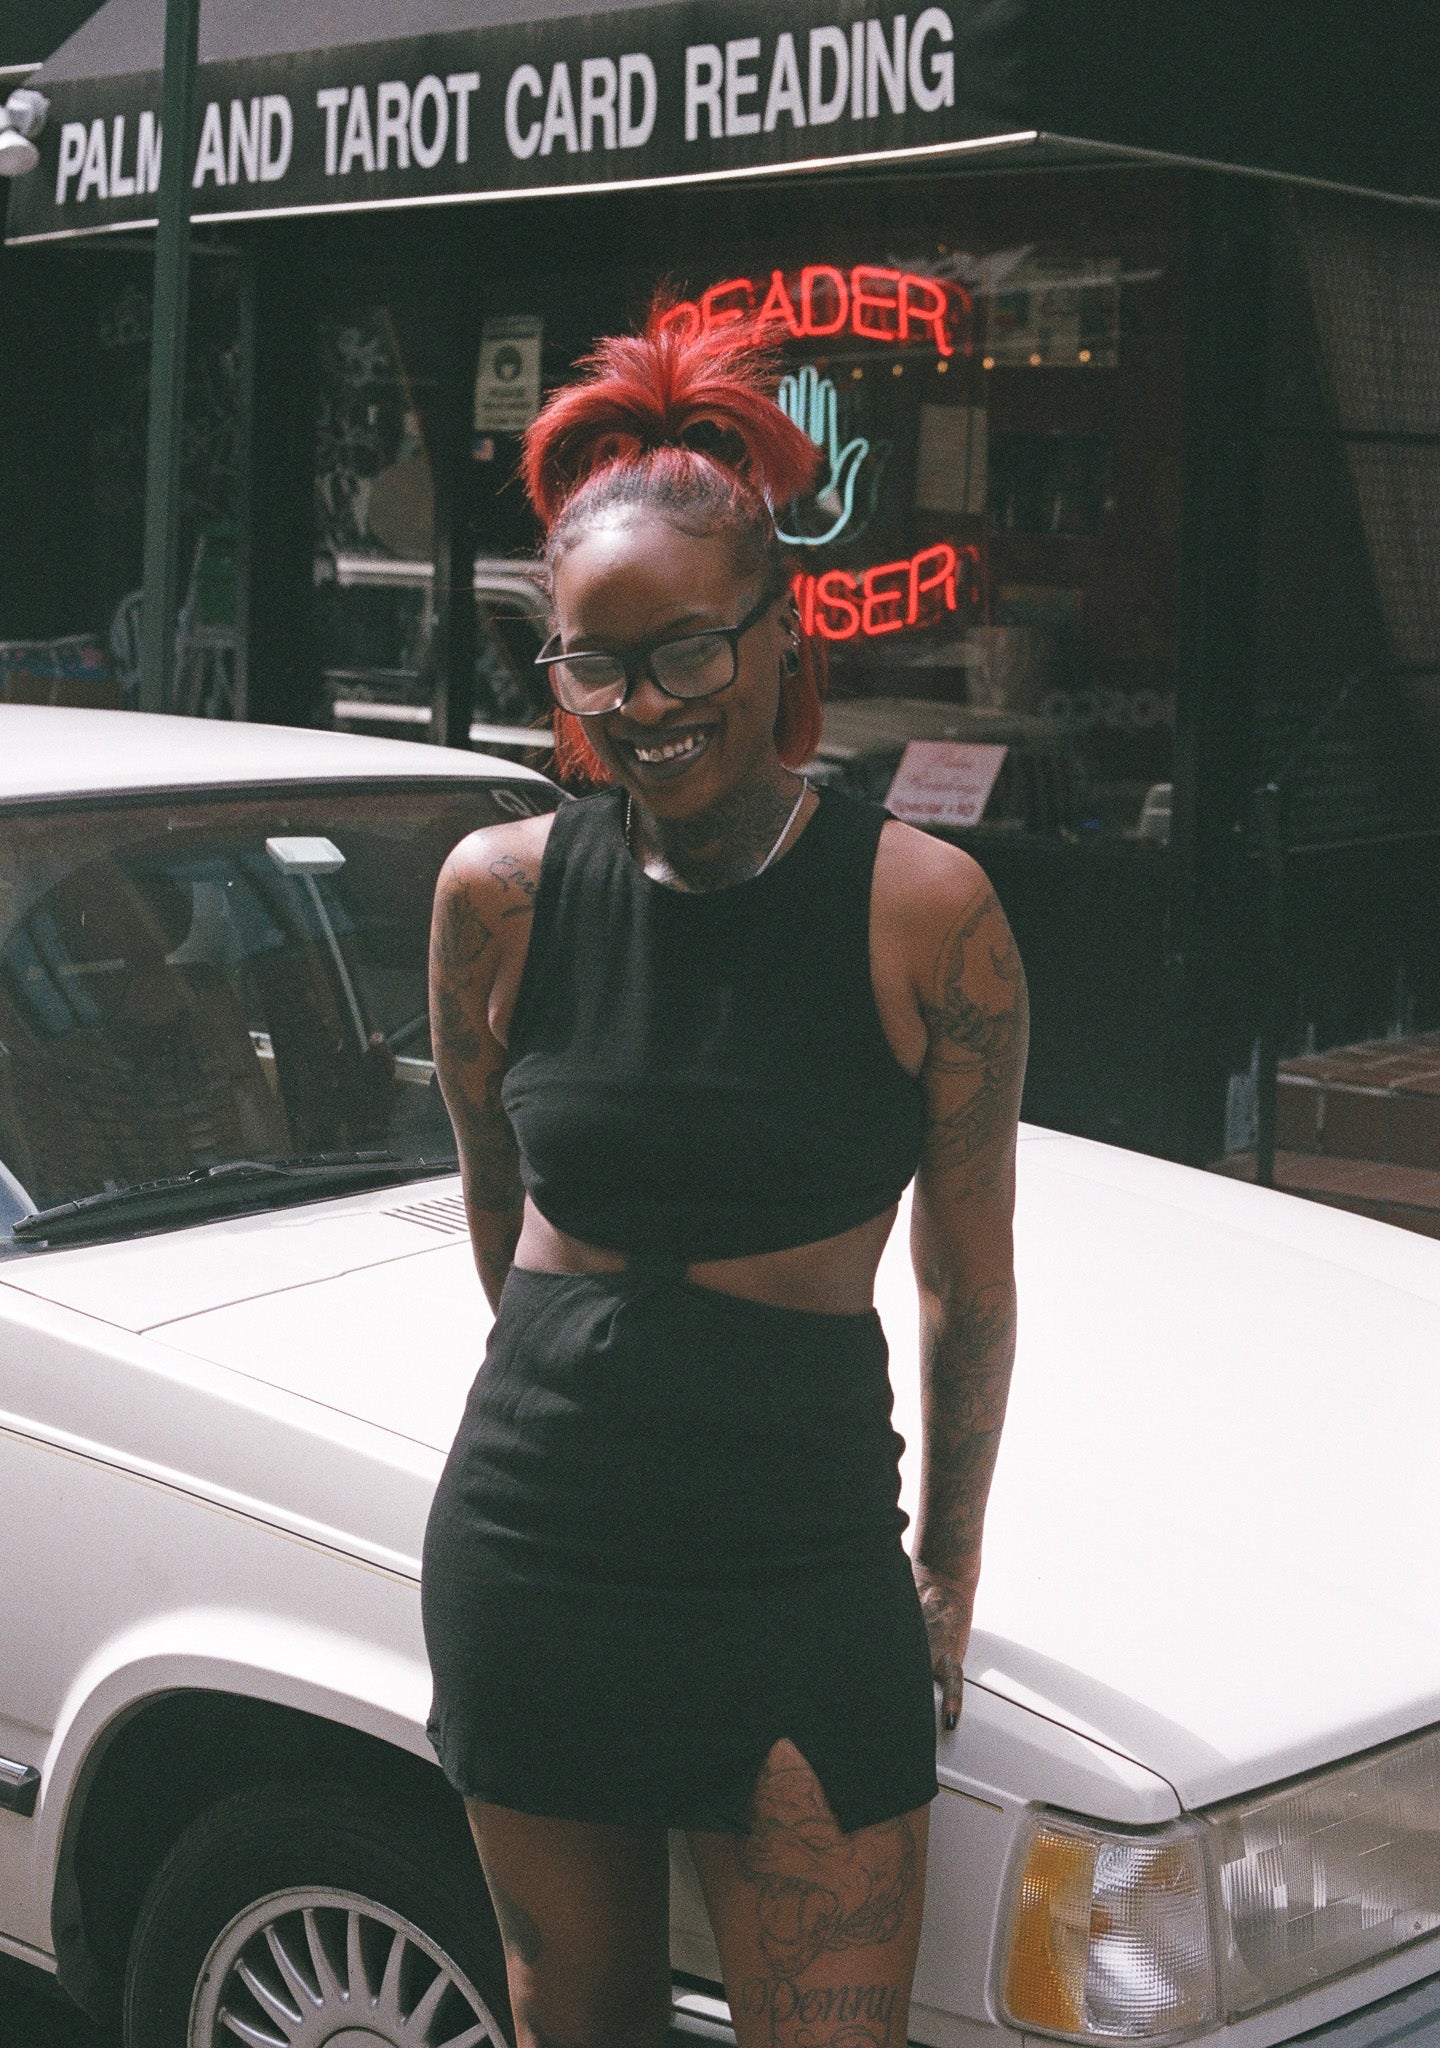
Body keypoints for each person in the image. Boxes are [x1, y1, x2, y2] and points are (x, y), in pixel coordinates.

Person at [421, 311, 1027, 2048]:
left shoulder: (923, 911)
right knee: (576, 2018)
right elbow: (494, 1203)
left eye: (686, 651)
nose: (645, 707)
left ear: (780, 631)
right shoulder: (497, 895)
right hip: (537, 1538)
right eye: (594, 668)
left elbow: (968, 1283)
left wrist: (945, 1570)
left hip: (795, 1549)